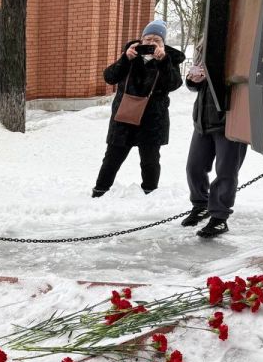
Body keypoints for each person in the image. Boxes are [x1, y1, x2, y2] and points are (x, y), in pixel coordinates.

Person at [93, 19, 185, 197]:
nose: (151, 43)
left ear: (163, 43)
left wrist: (163, 61)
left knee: (150, 160)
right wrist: (125, 59)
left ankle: (149, 194)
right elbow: (109, 77)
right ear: (141, 40)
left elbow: (173, 84)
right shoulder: (131, 55)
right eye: (148, 38)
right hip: (124, 117)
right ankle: (99, 191)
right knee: (112, 158)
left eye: (156, 40)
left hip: (152, 119)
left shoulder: (168, 60)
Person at [181, 46, 249, 238]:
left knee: (226, 172)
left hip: (230, 120)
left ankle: (219, 218)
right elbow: (197, 85)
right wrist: (193, 79)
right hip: (203, 119)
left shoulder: (240, 45)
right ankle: (200, 205)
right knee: (194, 167)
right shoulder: (205, 45)